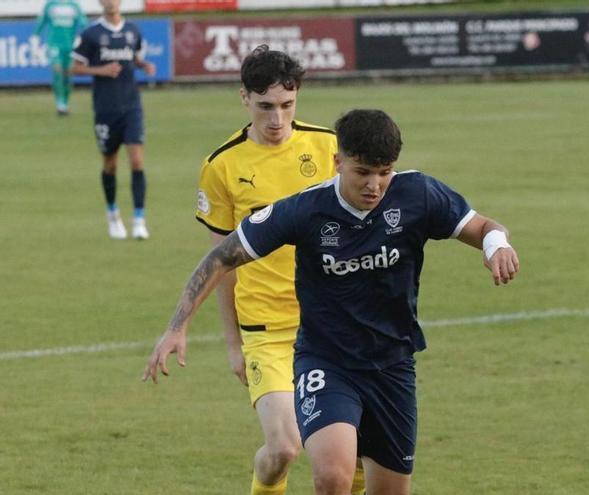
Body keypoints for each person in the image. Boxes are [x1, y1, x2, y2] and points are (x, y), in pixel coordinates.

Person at [144, 109, 520, 495]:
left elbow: (484, 226)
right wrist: (177, 327)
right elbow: (221, 255)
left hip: (392, 365)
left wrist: (496, 246)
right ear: (338, 162)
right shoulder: (304, 210)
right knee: (333, 475)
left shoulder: (418, 194)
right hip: (327, 362)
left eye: (384, 172)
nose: (374, 185)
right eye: (362, 173)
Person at [193, 45, 364, 495]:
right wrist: (233, 345)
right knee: (285, 447)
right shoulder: (221, 166)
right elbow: (221, 266)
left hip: (330, 325)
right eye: (265, 106)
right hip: (266, 329)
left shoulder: (329, 148)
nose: (277, 119)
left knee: (357, 458)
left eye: (287, 106)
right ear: (243, 98)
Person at [71, 0, 155, 240]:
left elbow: (134, 59)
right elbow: (74, 68)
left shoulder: (133, 31)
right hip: (105, 109)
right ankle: (113, 215)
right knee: (110, 164)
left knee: (137, 161)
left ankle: (139, 220)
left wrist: (144, 65)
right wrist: (101, 70)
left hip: (131, 106)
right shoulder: (90, 34)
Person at [34, 0, 88, 115]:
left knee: (68, 75)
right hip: (54, 44)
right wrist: (35, 40)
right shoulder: (50, 5)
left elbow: (83, 23)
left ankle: (66, 102)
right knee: (57, 70)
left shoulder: (74, 6)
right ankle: (60, 103)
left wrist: (81, 37)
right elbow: (41, 23)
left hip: (70, 46)